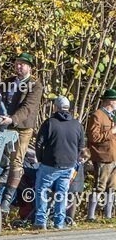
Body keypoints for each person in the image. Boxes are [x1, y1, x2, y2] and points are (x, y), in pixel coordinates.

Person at [0, 52, 44, 212]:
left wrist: (12, 119)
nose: (18, 66)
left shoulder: (35, 85)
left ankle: (7, 199)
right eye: (17, 63)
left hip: (22, 127)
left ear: (29, 67)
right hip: (4, 124)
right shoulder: (8, 82)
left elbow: (28, 107)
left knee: (16, 160)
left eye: (22, 64)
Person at [32, 96, 86, 230]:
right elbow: (81, 147)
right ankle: (59, 222)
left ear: (55, 107)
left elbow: (39, 144)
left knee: (42, 191)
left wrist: (40, 160)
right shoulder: (77, 125)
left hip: (50, 163)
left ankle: (40, 221)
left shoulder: (50, 123)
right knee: (62, 193)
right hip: (69, 165)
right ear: (69, 108)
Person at [84, 88, 116, 220]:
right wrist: (112, 131)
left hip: (114, 155)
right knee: (99, 186)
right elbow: (93, 137)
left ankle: (108, 215)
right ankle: (90, 215)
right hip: (103, 156)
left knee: (112, 187)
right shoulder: (97, 115)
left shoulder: (113, 115)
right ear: (110, 101)